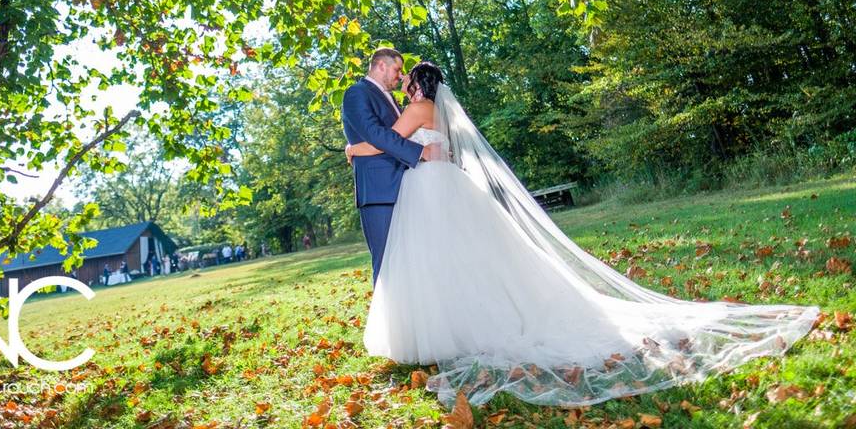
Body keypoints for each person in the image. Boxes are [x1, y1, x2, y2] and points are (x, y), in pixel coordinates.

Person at [344, 61, 820, 409]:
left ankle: (445, 326)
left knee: (438, 262)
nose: (401, 82)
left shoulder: (419, 108)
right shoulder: (439, 110)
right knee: (462, 261)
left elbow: (388, 141)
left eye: (406, 78)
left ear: (417, 85)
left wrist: (351, 147)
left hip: (429, 191)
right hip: (443, 187)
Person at [341, 48, 431, 285]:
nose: (400, 76)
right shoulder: (357, 93)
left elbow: (395, 136)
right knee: (385, 263)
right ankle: (386, 321)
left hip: (403, 185)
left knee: (407, 260)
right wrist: (421, 151)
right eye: (397, 69)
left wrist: (353, 149)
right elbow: (376, 134)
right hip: (379, 191)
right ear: (381, 65)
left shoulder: (389, 98)